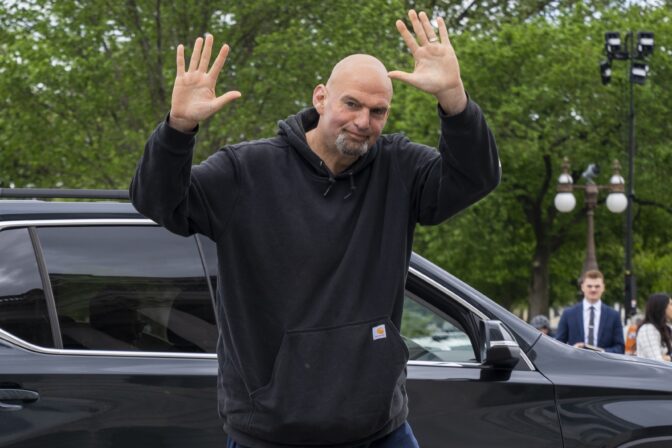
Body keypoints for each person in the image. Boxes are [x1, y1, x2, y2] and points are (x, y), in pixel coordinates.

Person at [130, 9, 500, 448]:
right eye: (352, 104)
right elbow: (158, 201)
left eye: (378, 111)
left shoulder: (399, 169)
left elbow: (476, 176)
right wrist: (178, 128)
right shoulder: (246, 171)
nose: (364, 121)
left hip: (379, 429)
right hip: (271, 433)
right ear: (321, 97)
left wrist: (454, 100)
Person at [555, 270, 625, 353]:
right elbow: (557, 345)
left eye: (597, 286)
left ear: (603, 287)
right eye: (589, 286)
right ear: (582, 287)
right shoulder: (568, 314)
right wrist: (572, 350)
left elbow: (620, 348)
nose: (593, 289)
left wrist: (603, 352)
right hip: (576, 363)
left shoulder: (614, 316)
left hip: (604, 364)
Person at [636, 293, 672, 362]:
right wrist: (670, 358)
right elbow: (657, 362)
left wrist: (667, 357)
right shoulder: (648, 329)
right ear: (661, 307)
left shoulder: (666, 328)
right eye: (671, 304)